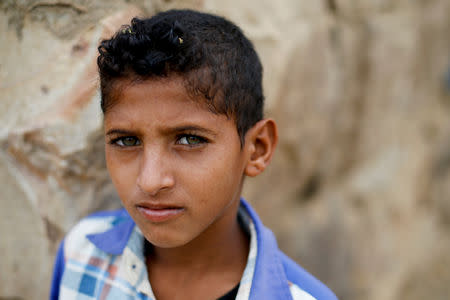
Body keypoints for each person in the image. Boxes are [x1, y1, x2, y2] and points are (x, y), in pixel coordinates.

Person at [49, 9, 338, 300]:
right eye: (126, 141)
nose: (150, 181)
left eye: (189, 139)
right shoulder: (81, 254)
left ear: (256, 149)